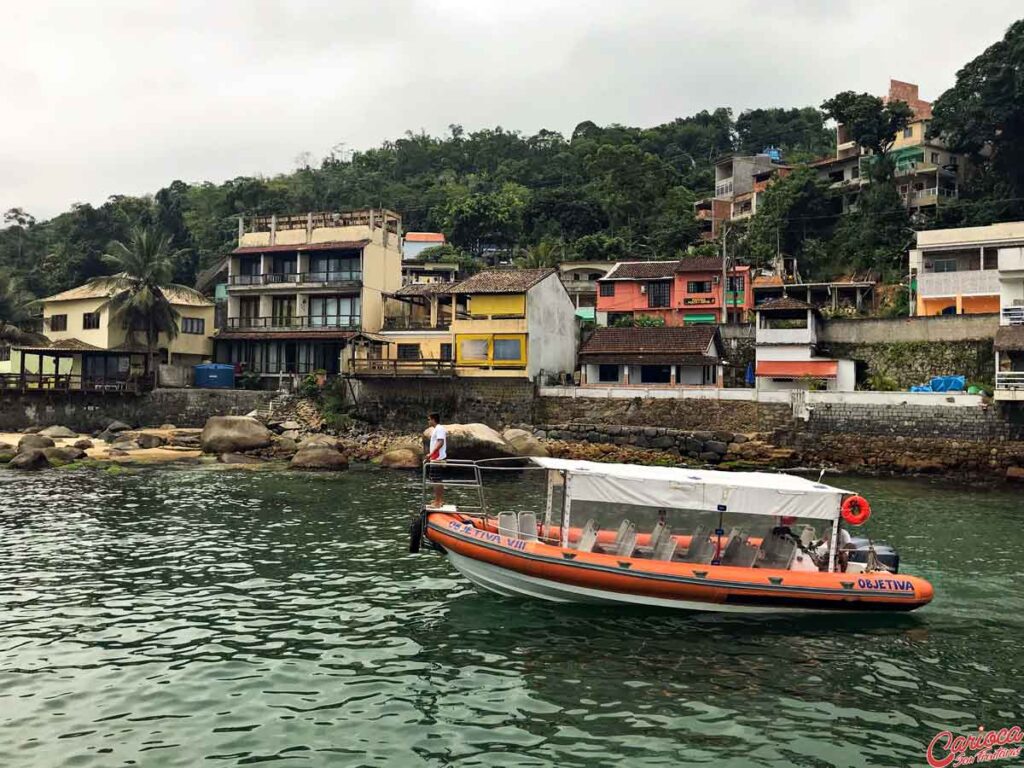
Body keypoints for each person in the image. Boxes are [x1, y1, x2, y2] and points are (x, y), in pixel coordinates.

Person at [426, 412, 447, 508]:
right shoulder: (437, 429)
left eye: (429, 419)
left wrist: (431, 453)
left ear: (433, 419)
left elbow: (440, 442)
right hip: (435, 458)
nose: (428, 421)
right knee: (436, 479)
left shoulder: (439, 428)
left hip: (437, 458)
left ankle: (438, 502)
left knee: (436, 479)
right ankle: (438, 500)